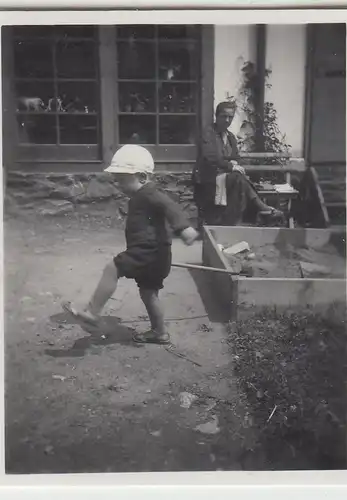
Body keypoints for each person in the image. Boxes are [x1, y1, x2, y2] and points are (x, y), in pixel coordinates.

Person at [62, 145, 199, 345]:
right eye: (117, 180)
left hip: (147, 250)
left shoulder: (150, 194)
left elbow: (171, 207)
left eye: (123, 180)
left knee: (112, 268)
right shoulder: (141, 195)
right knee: (148, 292)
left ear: (142, 177)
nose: (119, 185)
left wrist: (184, 228)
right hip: (157, 253)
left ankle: (92, 312)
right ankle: (160, 332)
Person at [192, 101, 283, 228]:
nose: (227, 120)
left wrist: (236, 163)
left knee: (237, 180)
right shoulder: (208, 133)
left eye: (230, 117)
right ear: (216, 116)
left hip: (227, 178)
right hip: (208, 178)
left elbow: (235, 157)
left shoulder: (230, 137)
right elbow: (210, 156)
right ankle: (259, 208)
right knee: (237, 179)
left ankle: (234, 222)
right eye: (224, 116)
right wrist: (231, 166)